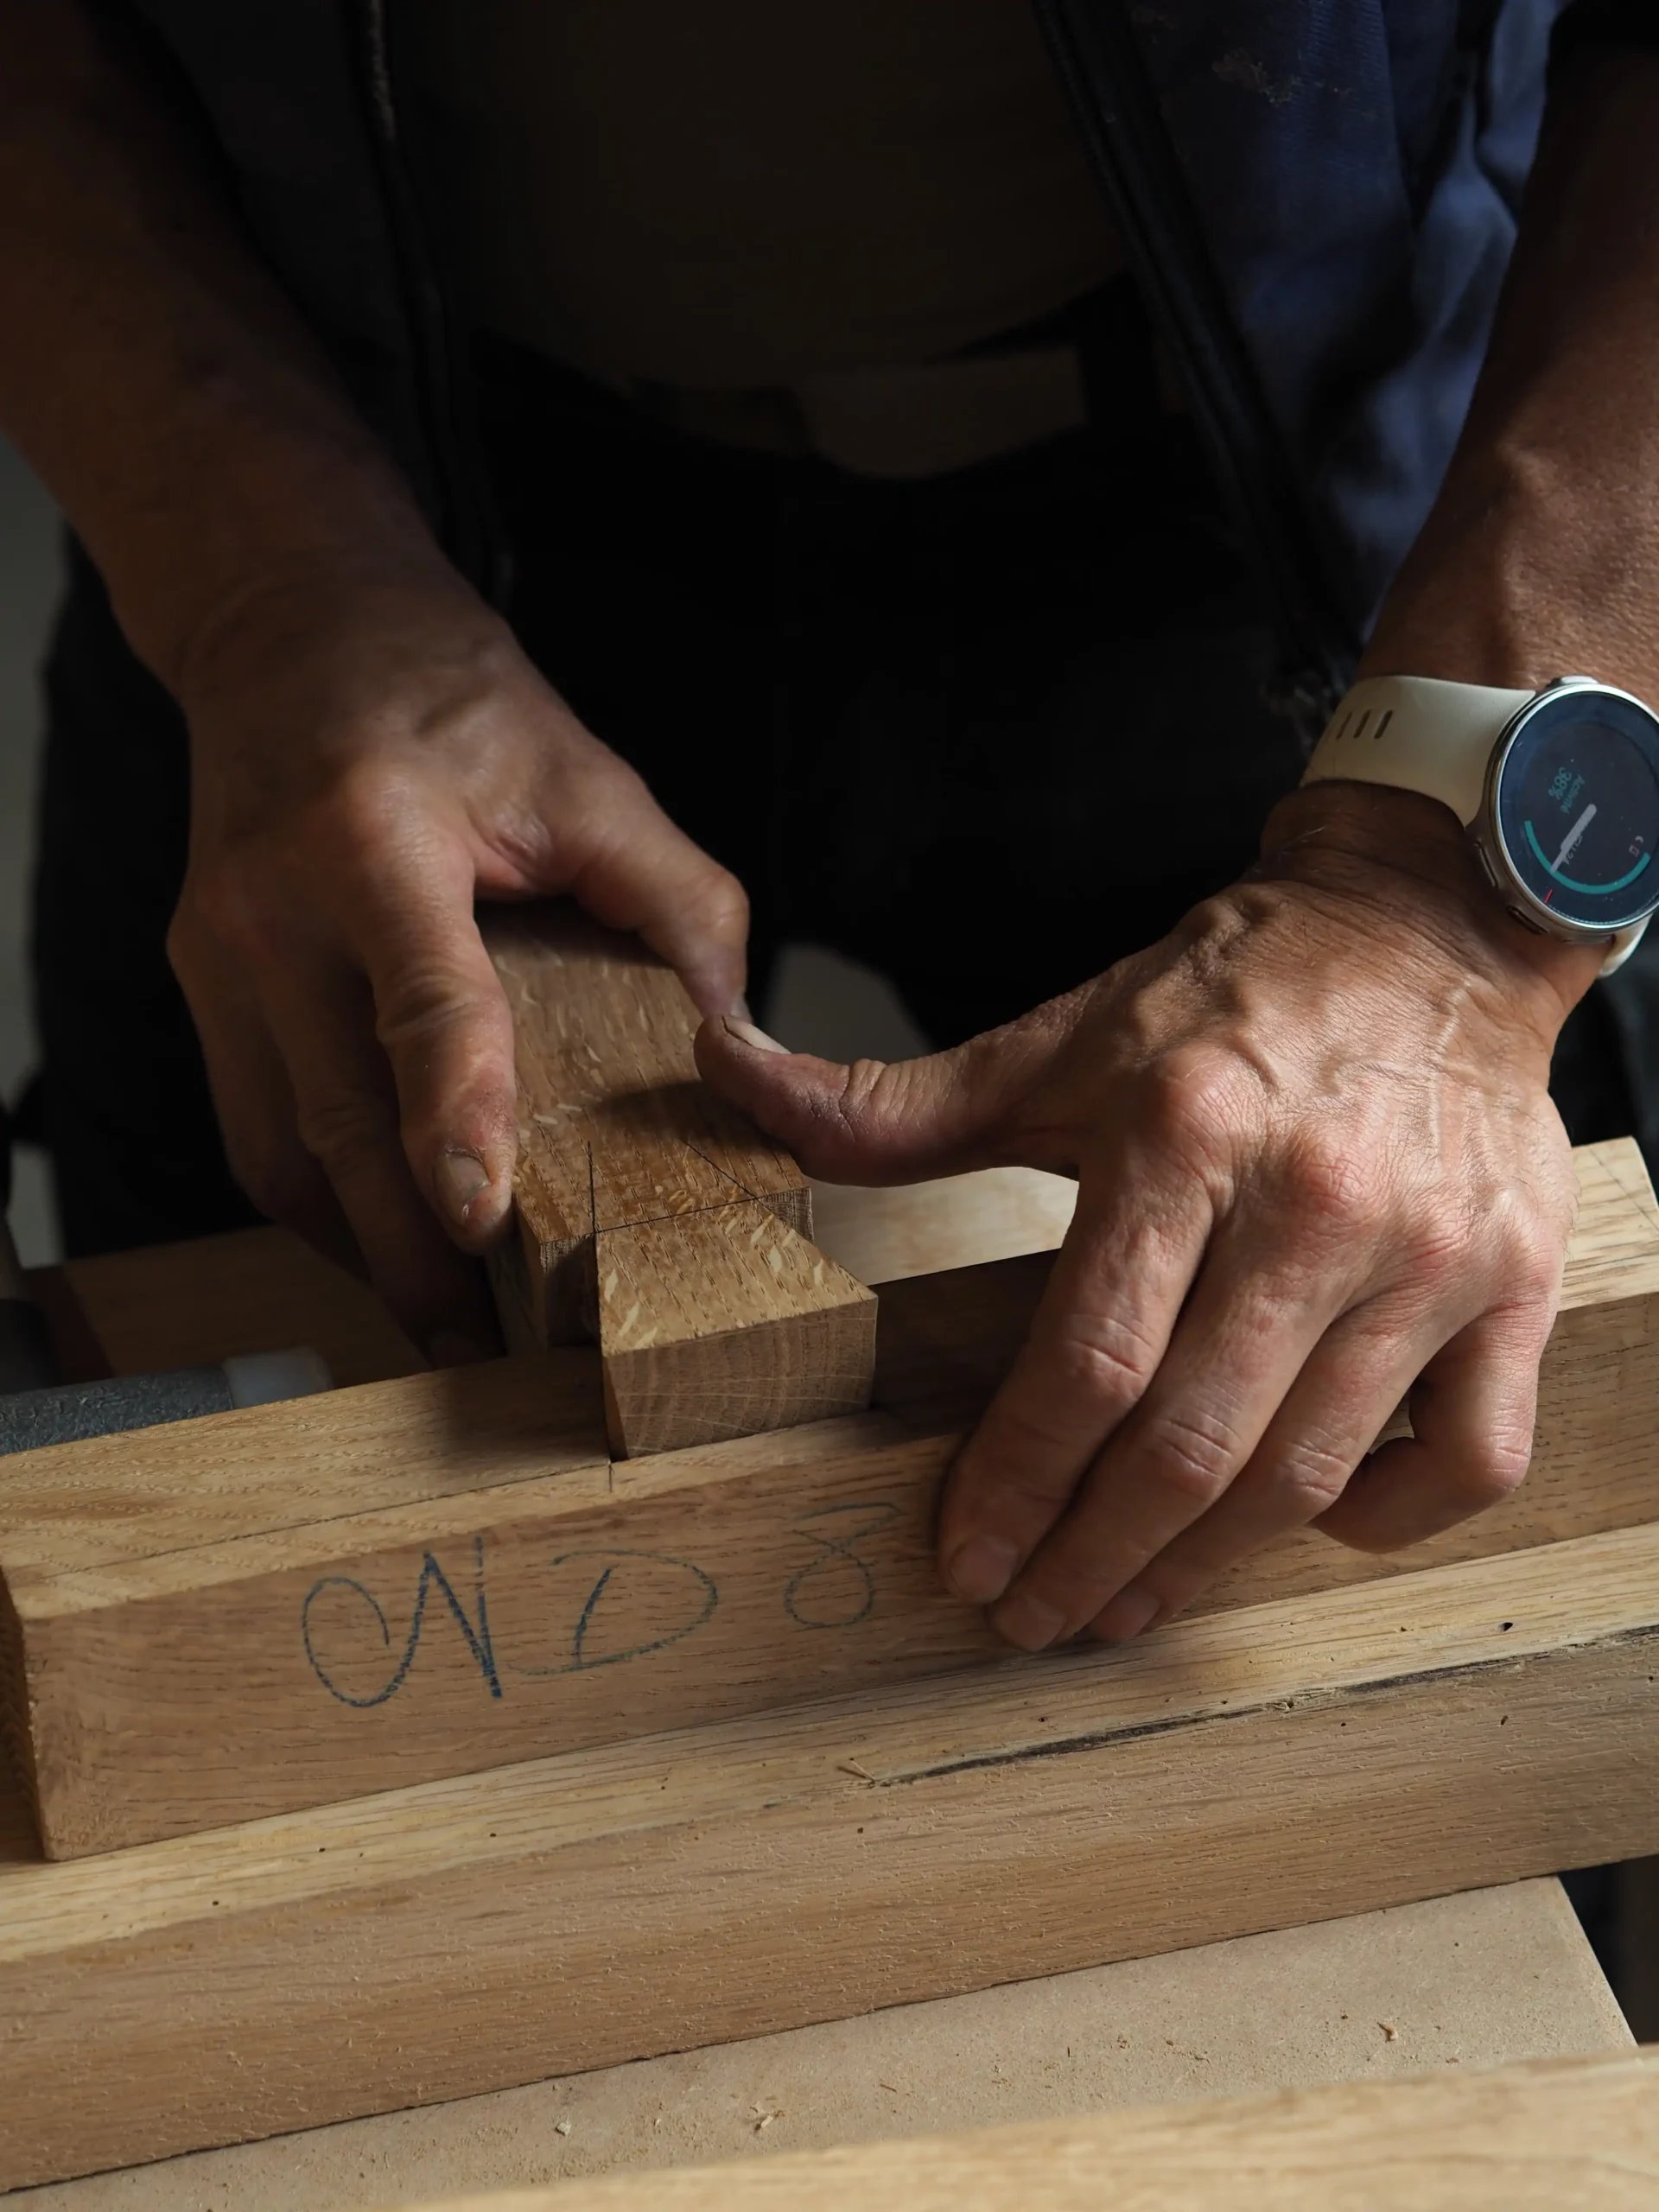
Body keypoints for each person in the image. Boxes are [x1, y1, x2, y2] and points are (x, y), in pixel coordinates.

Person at [2, 1, 1656, 1655]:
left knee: (1408, 1396)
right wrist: (269, 595)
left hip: (1295, 506)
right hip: (311, 445)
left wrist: (1436, 915)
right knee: (191, 1430)